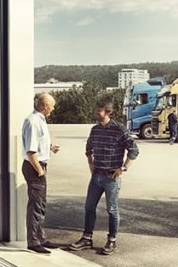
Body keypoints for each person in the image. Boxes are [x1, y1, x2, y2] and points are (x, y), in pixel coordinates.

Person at [66, 98, 139, 255]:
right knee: (89, 207)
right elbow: (88, 148)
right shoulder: (95, 129)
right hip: (96, 176)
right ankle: (87, 239)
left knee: (112, 210)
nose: (96, 112)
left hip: (111, 178)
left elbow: (134, 150)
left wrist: (123, 168)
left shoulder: (119, 129)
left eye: (99, 110)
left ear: (108, 112)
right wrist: (90, 163)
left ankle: (112, 241)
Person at [21, 93, 60, 254]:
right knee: (36, 205)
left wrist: (50, 147)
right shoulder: (33, 121)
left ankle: (40, 237)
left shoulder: (40, 120)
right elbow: (31, 152)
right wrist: (40, 171)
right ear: (44, 106)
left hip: (39, 165)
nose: (53, 108)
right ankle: (33, 241)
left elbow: (38, 143)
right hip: (34, 167)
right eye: (52, 106)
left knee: (41, 204)